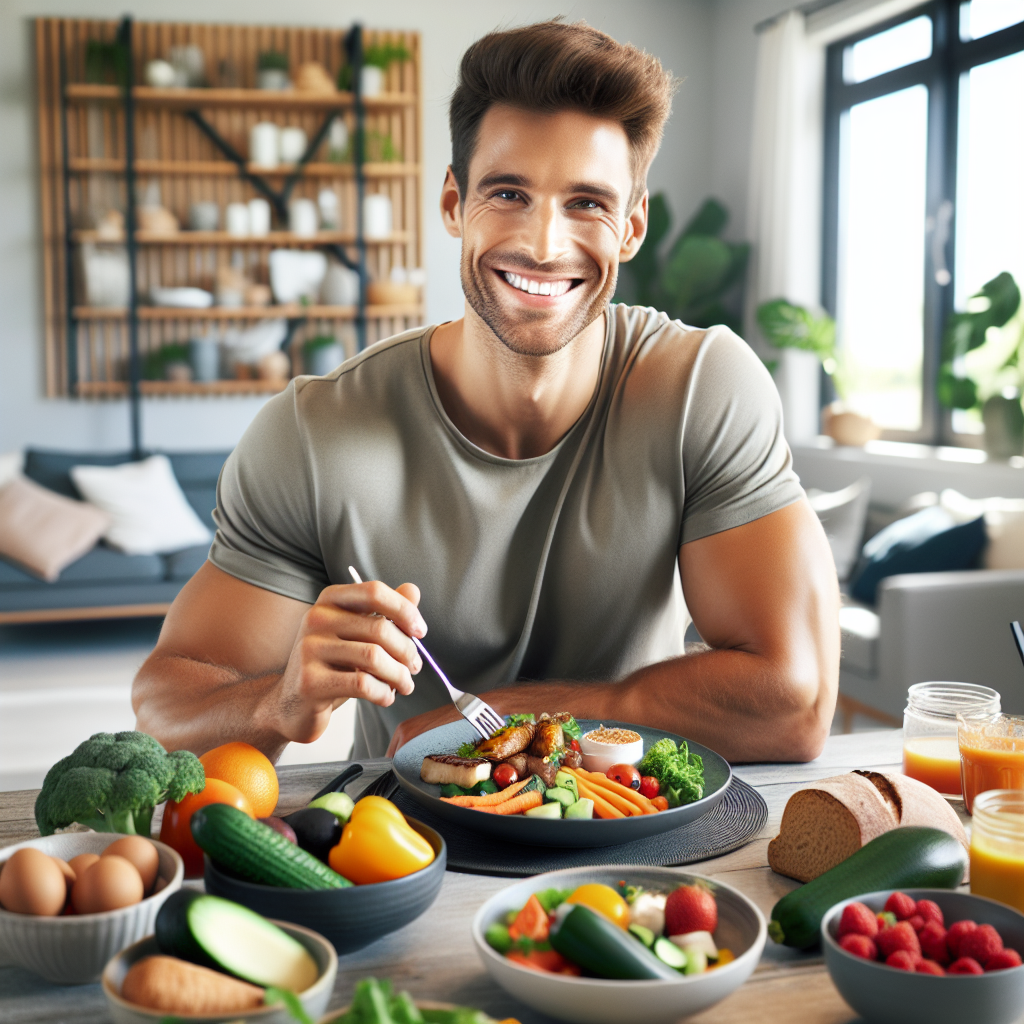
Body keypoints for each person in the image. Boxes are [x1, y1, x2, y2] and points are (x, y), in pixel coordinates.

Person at [134, 20, 839, 765]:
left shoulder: (701, 388)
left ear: (632, 226)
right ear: (452, 203)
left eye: (588, 203)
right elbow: (165, 706)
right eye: (508, 193)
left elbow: (794, 702)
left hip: (639, 834)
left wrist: (508, 715)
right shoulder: (314, 432)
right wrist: (282, 701)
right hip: (406, 848)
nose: (542, 244)